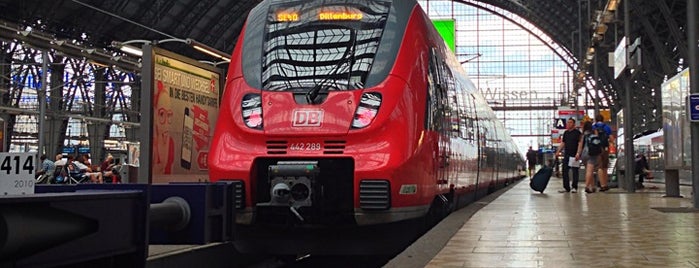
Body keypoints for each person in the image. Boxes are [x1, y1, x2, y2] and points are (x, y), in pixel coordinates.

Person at [555, 118, 582, 193]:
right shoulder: (566, 133)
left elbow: (580, 143)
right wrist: (558, 151)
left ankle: (574, 187)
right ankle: (566, 187)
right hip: (567, 154)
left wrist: (578, 153)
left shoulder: (577, 133)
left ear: (574, 124)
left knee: (575, 171)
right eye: (568, 122)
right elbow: (563, 143)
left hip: (574, 155)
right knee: (564, 171)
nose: (568, 124)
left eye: (570, 122)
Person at [154, 80, 174, 175]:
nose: (166, 122)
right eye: (162, 114)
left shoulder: (171, 144)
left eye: (169, 115)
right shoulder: (152, 147)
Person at [576, 121, 598, 193]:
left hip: (584, 154)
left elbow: (580, 145)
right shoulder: (594, 134)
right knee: (590, 171)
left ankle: (593, 186)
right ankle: (587, 186)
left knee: (589, 171)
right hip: (592, 153)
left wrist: (578, 153)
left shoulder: (583, 135)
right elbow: (598, 141)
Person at [592, 114, 612, 191]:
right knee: (605, 167)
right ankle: (606, 184)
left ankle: (602, 184)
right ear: (603, 119)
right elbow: (611, 138)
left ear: (596, 120)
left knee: (599, 167)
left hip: (597, 149)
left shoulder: (593, 127)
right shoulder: (607, 127)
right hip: (605, 148)